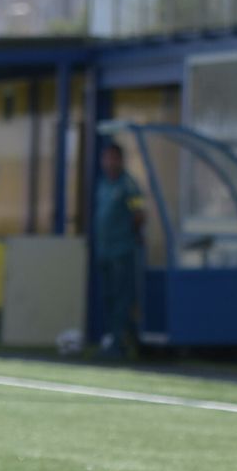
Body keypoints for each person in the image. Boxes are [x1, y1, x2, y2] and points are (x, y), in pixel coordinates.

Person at [93, 141, 146, 359]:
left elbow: (139, 215)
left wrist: (128, 236)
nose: (108, 162)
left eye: (112, 158)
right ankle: (124, 340)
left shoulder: (129, 185)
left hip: (122, 251)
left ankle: (119, 342)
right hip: (104, 250)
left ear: (120, 160)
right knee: (109, 297)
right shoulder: (103, 184)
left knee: (122, 298)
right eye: (105, 158)